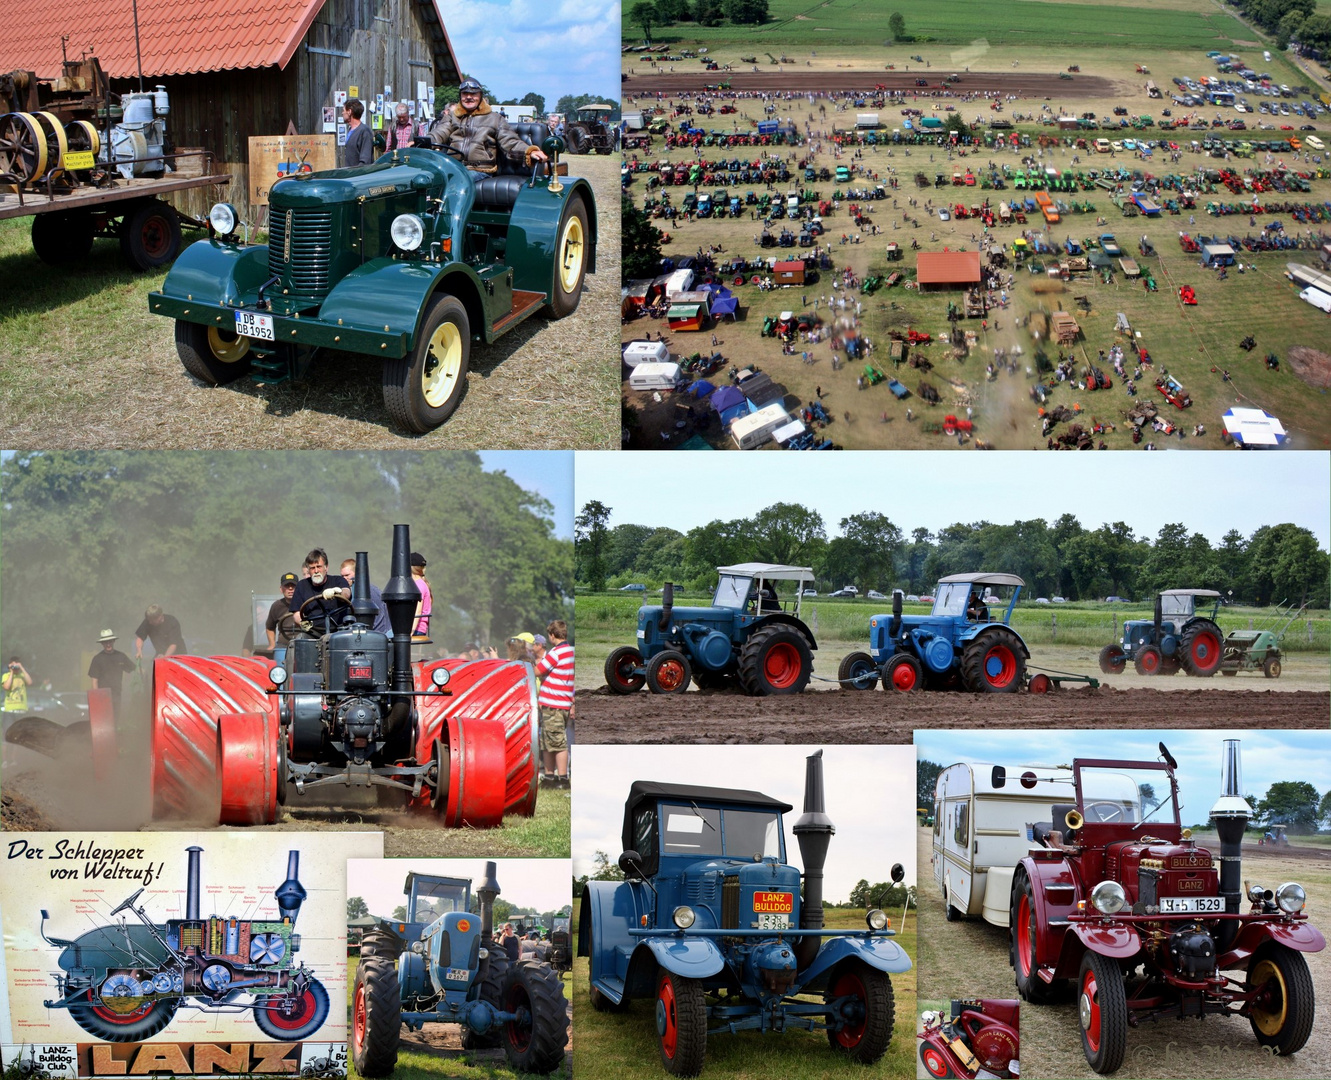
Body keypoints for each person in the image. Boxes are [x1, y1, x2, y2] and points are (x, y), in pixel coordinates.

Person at [429, 77, 548, 174]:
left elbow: (510, 141)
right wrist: (422, 142)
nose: (469, 97)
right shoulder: (452, 116)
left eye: (473, 94)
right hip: (453, 167)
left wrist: (529, 151)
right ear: (460, 96)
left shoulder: (495, 118)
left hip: (480, 169)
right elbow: (439, 133)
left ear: (480, 96)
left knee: (458, 181)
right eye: (465, 93)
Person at [535, 620, 574, 786]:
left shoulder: (557, 652)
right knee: (547, 741)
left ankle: (563, 778)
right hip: (560, 703)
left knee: (558, 743)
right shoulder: (571, 651)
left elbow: (538, 671)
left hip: (554, 704)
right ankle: (549, 777)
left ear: (552, 635)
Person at [290, 550, 351, 632]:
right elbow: (296, 613)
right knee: (300, 639)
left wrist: (337, 592)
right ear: (308, 570)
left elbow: (347, 593)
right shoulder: (302, 585)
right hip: (313, 632)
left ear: (326, 567)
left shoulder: (338, 581)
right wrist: (302, 623)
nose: (316, 571)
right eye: (312, 568)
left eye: (319, 567)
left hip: (338, 631)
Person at [87, 630, 135, 718]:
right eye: (105, 642)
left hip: (117, 693)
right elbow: (94, 681)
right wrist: (97, 697)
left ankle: (115, 731)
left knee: (116, 717)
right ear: (102, 643)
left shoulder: (121, 656)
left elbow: (133, 670)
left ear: (113, 641)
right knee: (104, 718)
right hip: (103, 695)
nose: (108, 644)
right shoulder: (97, 659)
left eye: (110, 641)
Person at [340, 559, 391, 634]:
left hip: (381, 632)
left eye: (347, 575)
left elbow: (380, 617)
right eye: (342, 576)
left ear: (357, 573)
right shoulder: (351, 591)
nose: (344, 579)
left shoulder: (369, 591)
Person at [265, 572, 301, 656]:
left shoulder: (306, 604)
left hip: (303, 644)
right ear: (281, 589)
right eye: (287, 586)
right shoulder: (276, 606)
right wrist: (272, 644)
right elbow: (270, 627)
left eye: (293, 586)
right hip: (282, 646)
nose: (290, 588)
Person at [343, 97, 374, 167]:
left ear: (349, 112)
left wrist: (357, 174)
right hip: (349, 174)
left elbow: (365, 161)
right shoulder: (350, 130)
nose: (342, 113)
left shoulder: (364, 131)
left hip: (358, 175)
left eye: (343, 110)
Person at [410, 552, 432, 637]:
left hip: (417, 629)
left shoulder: (419, 585)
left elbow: (418, 611)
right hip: (418, 628)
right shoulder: (420, 583)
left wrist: (411, 631)